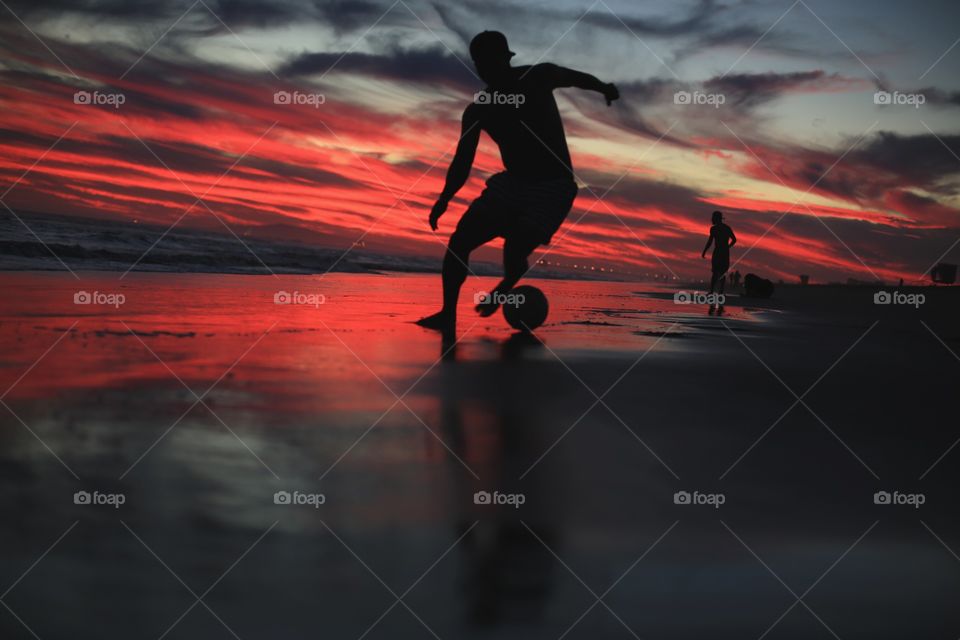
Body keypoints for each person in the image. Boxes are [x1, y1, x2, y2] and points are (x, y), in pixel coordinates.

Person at [416, 31, 619, 333]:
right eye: (480, 63)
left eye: (492, 60)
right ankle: (448, 314)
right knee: (459, 242)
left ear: (506, 58)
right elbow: (462, 161)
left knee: (514, 249)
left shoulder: (539, 77)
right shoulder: (478, 110)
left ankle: (504, 287)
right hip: (511, 185)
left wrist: (603, 87)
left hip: (552, 186)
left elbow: (576, 78)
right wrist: (444, 198)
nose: (486, 68)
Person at [701, 210, 736, 309]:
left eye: (713, 218)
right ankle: (720, 292)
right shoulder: (726, 228)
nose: (711, 220)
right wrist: (728, 247)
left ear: (716, 219)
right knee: (722, 273)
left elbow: (710, 241)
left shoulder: (714, 229)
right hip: (724, 252)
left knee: (715, 272)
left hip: (717, 252)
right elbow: (734, 240)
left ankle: (712, 292)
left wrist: (704, 251)